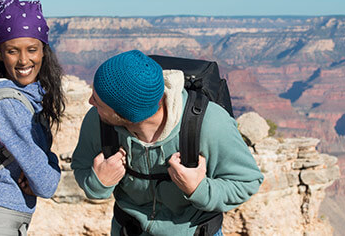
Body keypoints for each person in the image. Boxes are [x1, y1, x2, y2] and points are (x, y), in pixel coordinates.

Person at [71, 50, 265, 236]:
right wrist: (98, 184)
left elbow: (247, 182)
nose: (90, 102)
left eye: (98, 101)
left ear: (126, 115)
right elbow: (81, 166)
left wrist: (199, 190)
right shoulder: (98, 121)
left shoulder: (210, 124)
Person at [0, 0, 65, 235]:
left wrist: (40, 165)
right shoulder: (8, 104)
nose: (24, 60)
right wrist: (51, 166)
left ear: (44, 51)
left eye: (32, 50)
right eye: (12, 51)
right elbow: (46, 184)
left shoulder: (22, 97)